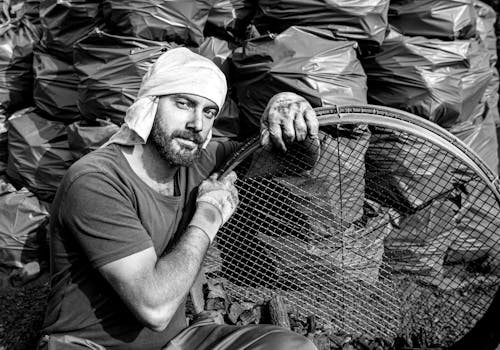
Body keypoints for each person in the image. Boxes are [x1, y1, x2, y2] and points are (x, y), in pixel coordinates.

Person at [39, 47, 320, 350]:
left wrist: (286, 104)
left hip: (174, 343)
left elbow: (295, 160)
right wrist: (207, 216)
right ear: (151, 104)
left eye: (209, 111)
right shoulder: (96, 181)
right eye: (183, 104)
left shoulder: (200, 159)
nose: (197, 124)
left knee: (291, 347)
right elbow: (154, 309)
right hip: (87, 346)